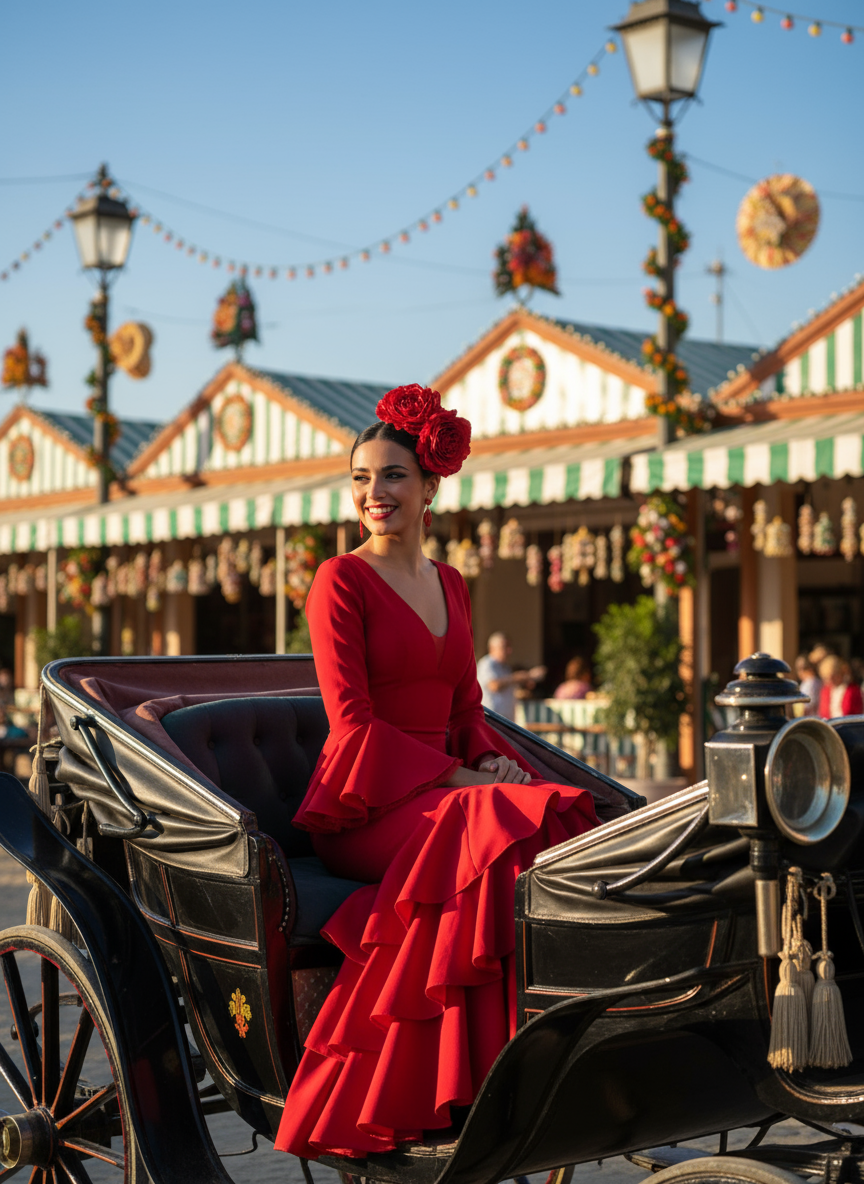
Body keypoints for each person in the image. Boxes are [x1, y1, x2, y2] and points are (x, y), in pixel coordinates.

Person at [275, 384, 598, 1160]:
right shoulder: (338, 582)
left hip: (444, 790)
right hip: (367, 809)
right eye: (360, 479)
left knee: (562, 812)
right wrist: (460, 782)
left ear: (429, 488)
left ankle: (523, 1051)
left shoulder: (451, 583)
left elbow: (464, 711)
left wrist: (488, 760)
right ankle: (433, 1074)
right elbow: (352, 721)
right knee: (489, 822)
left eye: (391, 476)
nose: (373, 494)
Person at [476, 632, 546, 720]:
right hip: (492, 718)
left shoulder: (505, 667)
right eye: (504, 647)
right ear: (492, 648)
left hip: (505, 719)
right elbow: (494, 685)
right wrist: (520, 677)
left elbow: (508, 687)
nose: (509, 651)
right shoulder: (487, 664)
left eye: (509, 647)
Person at [818, 654, 863, 719]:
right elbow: (823, 714)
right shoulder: (825, 691)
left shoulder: (853, 690)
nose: (831, 680)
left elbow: (857, 714)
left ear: (841, 673)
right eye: (827, 678)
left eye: (833, 676)